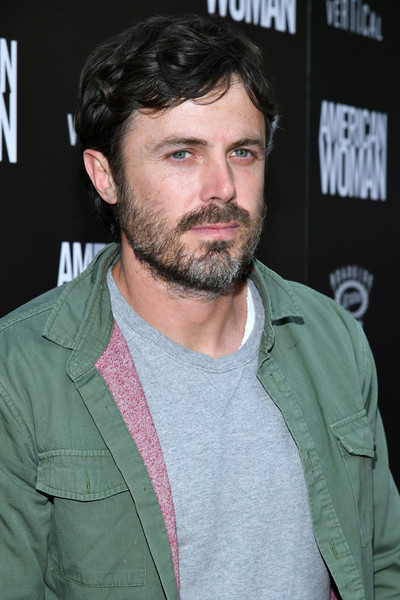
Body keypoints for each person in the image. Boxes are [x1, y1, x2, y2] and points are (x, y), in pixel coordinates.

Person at [0, 13, 399, 600]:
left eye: (243, 152)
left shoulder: (334, 339)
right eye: (182, 154)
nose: (223, 187)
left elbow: (383, 562)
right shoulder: (21, 374)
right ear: (106, 177)